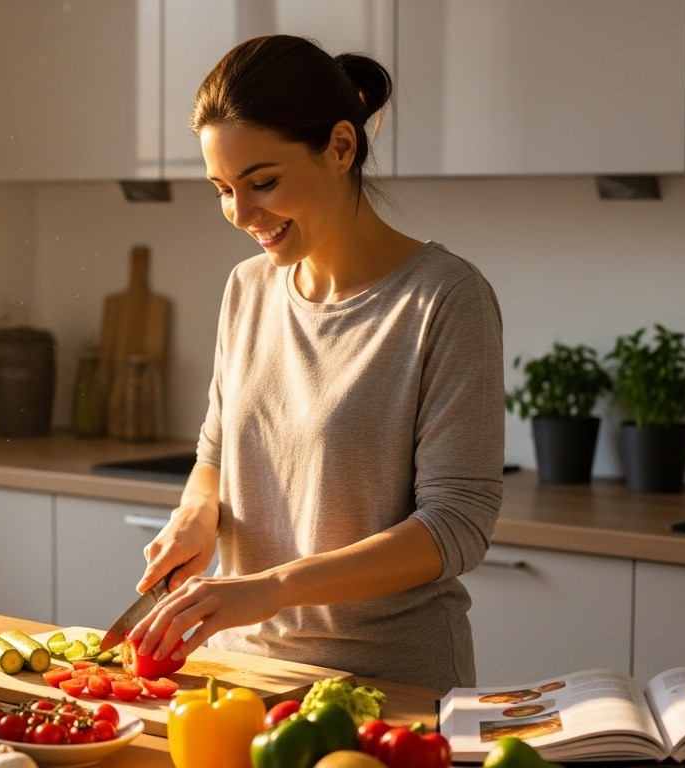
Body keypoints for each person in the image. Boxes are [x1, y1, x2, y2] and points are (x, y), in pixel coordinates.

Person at [128, 35, 504, 691]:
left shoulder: (445, 299)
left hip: (391, 689)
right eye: (222, 189)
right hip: (244, 674)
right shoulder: (247, 288)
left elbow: (457, 526)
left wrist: (272, 587)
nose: (241, 214)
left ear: (340, 147)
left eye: (262, 182)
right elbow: (215, 453)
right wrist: (197, 515)